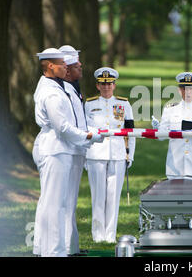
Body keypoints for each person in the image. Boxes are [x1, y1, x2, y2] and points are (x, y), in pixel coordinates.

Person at [32, 48, 103, 257]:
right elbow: (61, 127)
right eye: (62, 63)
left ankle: (58, 249)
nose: (66, 66)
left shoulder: (59, 86)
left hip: (64, 149)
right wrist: (88, 137)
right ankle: (53, 252)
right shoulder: (50, 91)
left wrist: (87, 134)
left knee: (60, 203)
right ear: (51, 66)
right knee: (54, 205)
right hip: (55, 150)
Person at [85, 67, 136, 243]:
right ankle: (98, 235)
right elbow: (85, 132)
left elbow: (130, 132)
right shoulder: (90, 104)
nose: (106, 87)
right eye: (103, 84)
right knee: (98, 195)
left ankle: (110, 235)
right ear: (98, 86)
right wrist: (85, 156)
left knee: (113, 196)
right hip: (96, 154)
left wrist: (130, 154)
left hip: (117, 153)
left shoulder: (124, 104)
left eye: (109, 84)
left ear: (114, 85)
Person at [152, 72, 192, 185]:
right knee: (174, 200)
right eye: (183, 88)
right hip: (175, 165)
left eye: (190, 88)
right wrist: (158, 130)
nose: (187, 91)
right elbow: (162, 136)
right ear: (179, 90)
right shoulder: (170, 109)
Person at [60, 45, 88, 255]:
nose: (82, 67)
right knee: (63, 201)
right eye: (77, 66)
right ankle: (65, 247)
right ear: (67, 70)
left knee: (71, 201)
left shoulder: (73, 87)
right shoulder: (63, 91)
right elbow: (68, 125)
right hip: (66, 149)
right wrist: (89, 136)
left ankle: (72, 246)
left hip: (77, 148)